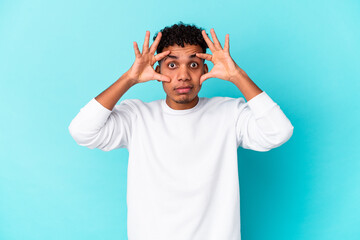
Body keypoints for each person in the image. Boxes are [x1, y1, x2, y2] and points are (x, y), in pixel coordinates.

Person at [68, 22, 294, 240]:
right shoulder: (137, 117)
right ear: (156, 70)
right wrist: (129, 79)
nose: (183, 75)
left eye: (193, 64)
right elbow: (82, 131)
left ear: (206, 69)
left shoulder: (229, 113)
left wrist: (237, 75)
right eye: (172, 64)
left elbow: (279, 132)